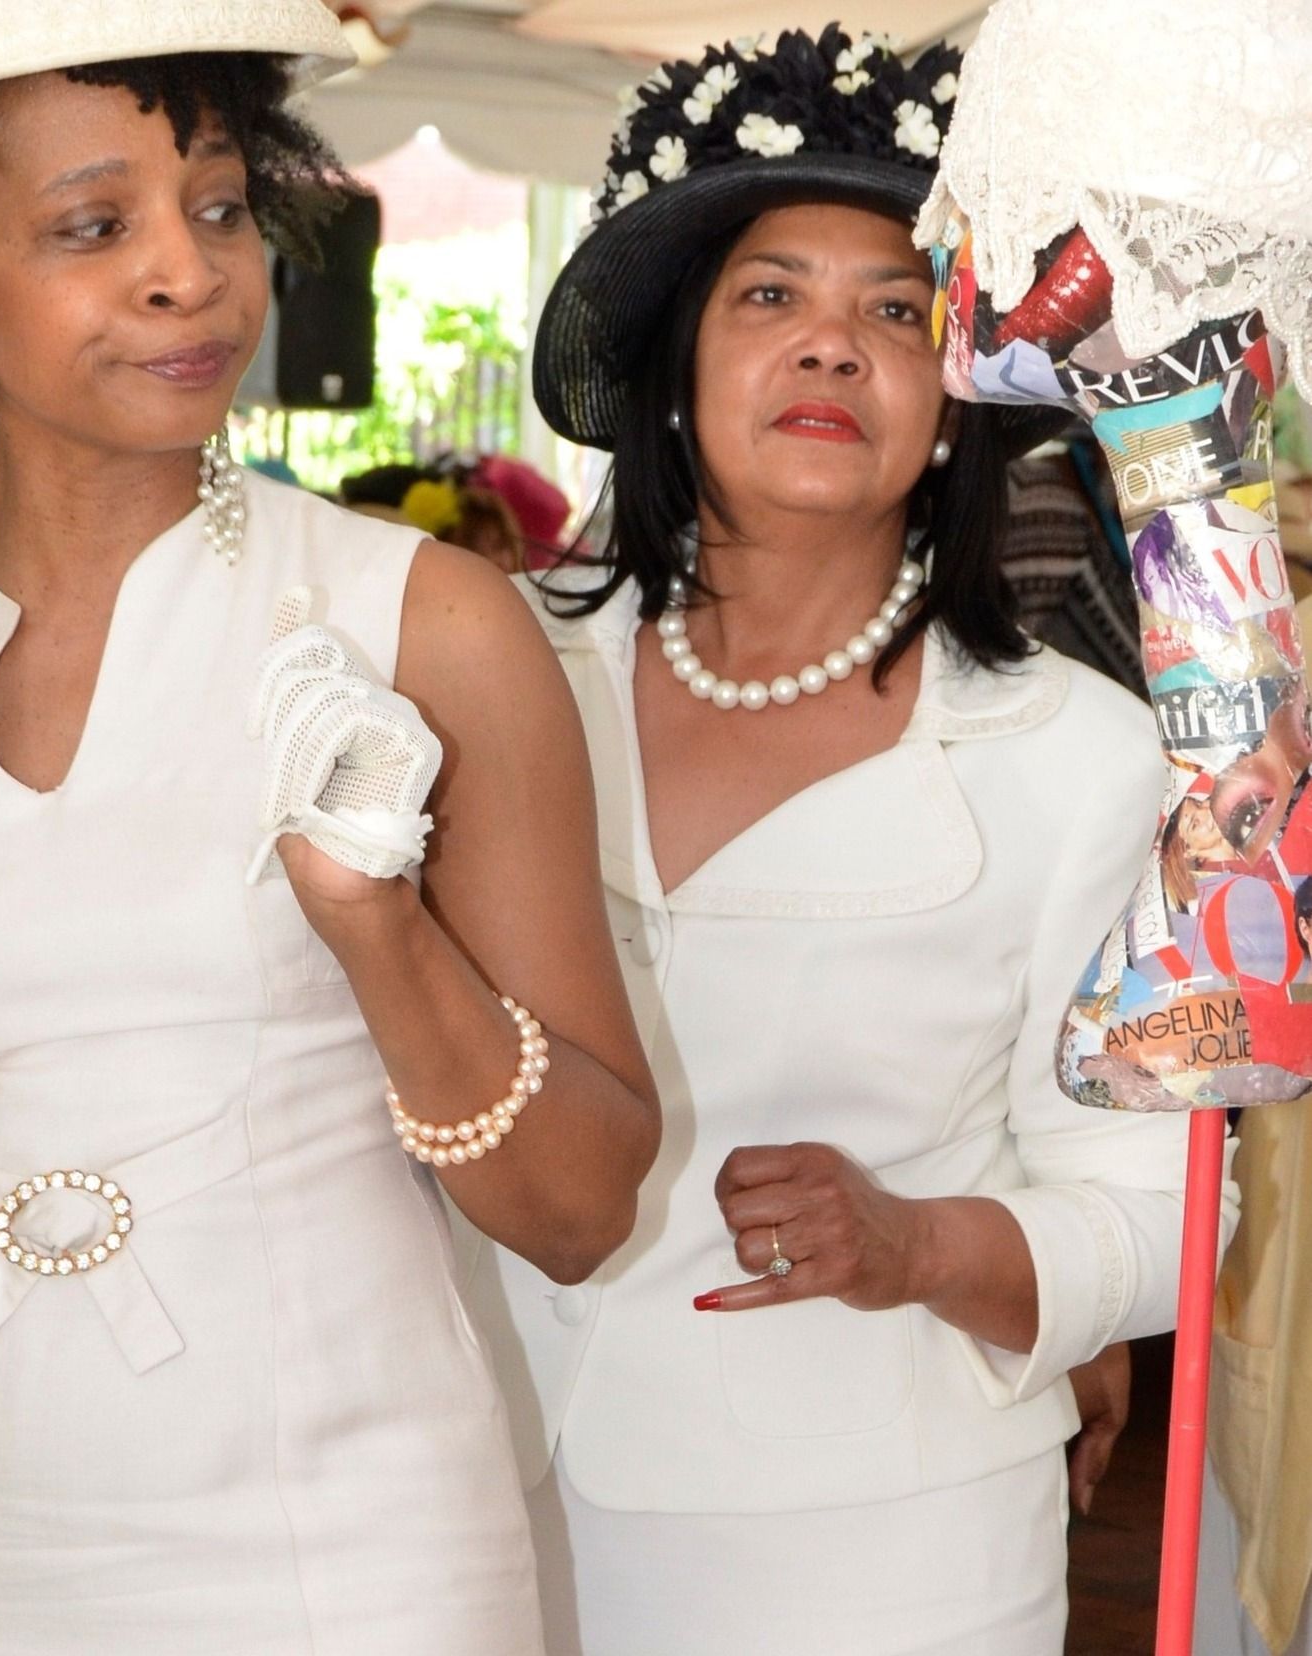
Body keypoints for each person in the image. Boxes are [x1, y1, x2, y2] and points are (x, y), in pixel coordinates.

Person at [0, 4, 660, 1653]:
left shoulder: (427, 624)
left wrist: (379, 932)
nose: (190, 272)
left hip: (344, 1565)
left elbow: (583, 1209)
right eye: (95, 225)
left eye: (220, 206)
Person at [461, 28, 1234, 1654]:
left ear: (954, 395)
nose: (831, 349)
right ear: (679, 360)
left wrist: (921, 1243)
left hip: (881, 1556)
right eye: (771, 297)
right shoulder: (489, 671)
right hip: (455, 1495)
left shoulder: (1075, 755)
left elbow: (1172, 1201)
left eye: (895, 309)